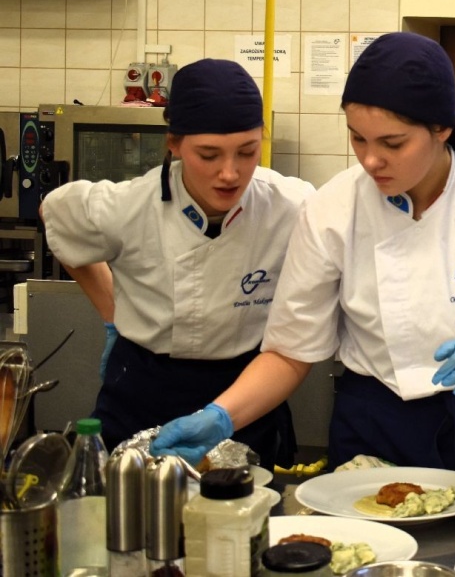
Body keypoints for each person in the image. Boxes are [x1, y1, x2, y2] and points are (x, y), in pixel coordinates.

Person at [151, 32, 455, 497]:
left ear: (442, 128)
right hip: (374, 425)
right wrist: (221, 416)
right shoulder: (331, 208)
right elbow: (290, 350)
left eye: (392, 143)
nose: (371, 159)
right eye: (358, 138)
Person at [40, 59, 315, 466]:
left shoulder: (291, 207)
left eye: (247, 152)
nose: (229, 173)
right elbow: (55, 216)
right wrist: (111, 312)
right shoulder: (128, 206)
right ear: (174, 145)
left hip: (245, 390)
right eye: (208, 155)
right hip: (141, 386)